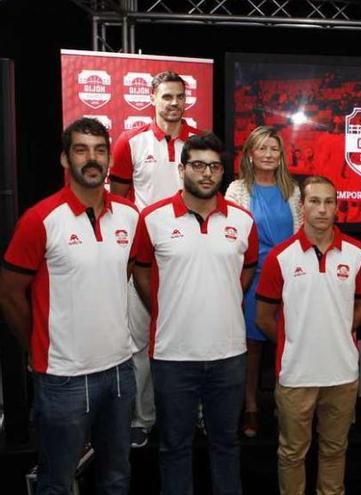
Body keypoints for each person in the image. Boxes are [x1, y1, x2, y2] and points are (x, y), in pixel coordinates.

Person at [0, 118, 139, 494]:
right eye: (81, 150)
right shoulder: (41, 220)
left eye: (99, 150)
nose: (91, 159)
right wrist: (35, 344)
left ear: (109, 158)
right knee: (57, 481)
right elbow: (10, 292)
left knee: (116, 477)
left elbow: (122, 272)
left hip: (119, 371)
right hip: (63, 378)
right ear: (65, 159)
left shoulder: (129, 215)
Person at [132, 132, 257, 495]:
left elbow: (245, 272)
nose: (206, 174)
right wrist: (166, 304)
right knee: (174, 449)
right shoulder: (153, 219)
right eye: (198, 165)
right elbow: (141, 271)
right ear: (182, 168)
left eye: (214, 167)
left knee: (226, 446)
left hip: (229, 355)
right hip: (173, 356)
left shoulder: (243, 220)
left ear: (223, 172)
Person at [255, 175, 361, 495]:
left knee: (335, 451)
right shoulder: (280, 257)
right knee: (292, 453)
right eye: (314, 201)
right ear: (302, 206)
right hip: (296, 375)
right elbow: (264, 317)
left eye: (329, 202)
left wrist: (342, 329)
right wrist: (294, 341)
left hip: (342, 374)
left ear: (337, 208)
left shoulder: (358, 253)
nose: (322, 209)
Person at [110, 70, 202, 447]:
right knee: (139, 341)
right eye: (167, 96)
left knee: (195, 336)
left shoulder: (197, 141)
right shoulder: (130, 142)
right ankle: (143, 418)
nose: (174, 103)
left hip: (190, 256)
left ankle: (196, 415)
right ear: (153, 98)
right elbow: (117, 201)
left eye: (180, 96)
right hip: (145, 256)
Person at [225, 126, 302, 438]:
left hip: (288, 278)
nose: (269, 155)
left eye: (275, 149)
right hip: (252, 277)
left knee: (289, 343)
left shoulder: (293, 191)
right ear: (250, 155)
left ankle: (287, 406)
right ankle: (251, 407)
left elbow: (300, 237)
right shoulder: (237, 190)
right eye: (263, 149)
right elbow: (231, 238)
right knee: (253, 346)